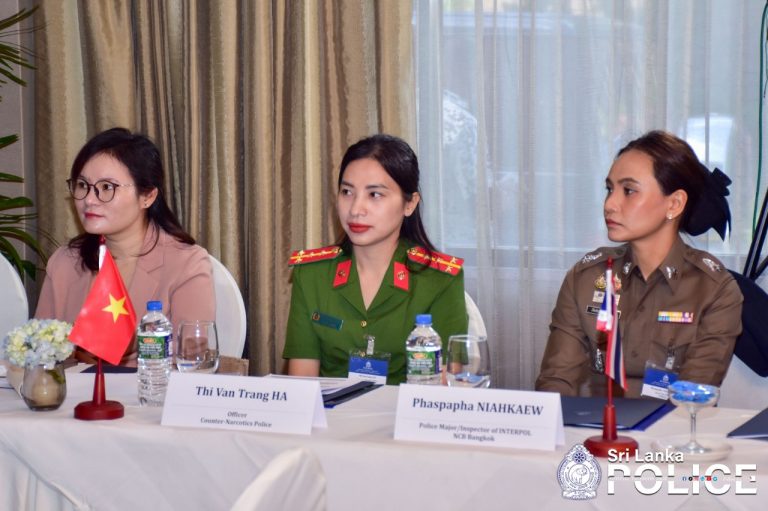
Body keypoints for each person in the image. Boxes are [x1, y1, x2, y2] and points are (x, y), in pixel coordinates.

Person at [536, 130, 743, 398]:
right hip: (596, 421)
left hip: (672, 424)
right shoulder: (586, 278)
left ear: (674, 204)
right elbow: (556, 382)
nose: (610, 204)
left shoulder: (714, 290)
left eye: (629, 191)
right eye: (609, 189)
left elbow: (692, 397)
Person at [283, 134, 468, 384]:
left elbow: (442, 386)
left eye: (375, 195)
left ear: (410, 204)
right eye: (347, 192)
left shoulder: (439, 279)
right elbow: (302, 383)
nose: (355, 209)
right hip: (330, 409)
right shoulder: (311, 274)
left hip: (405, 408)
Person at [35, 128, 215, 366]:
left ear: (147, 196)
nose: (89, 199)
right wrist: (75, 353)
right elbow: (37, 355)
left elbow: (192, 361)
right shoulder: (65, 262)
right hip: (74, 391)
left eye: (107, 187)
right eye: (82, 185)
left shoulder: (186, 263)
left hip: (151, 389)